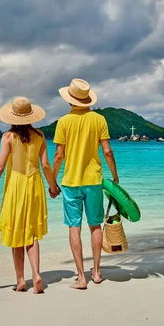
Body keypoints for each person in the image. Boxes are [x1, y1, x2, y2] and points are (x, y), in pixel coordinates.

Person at [0, 97, 60, 294]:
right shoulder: (39, 136)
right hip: (35, 185)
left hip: (15, 185)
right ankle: (36, 274)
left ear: (12, 117)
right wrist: (53, 186)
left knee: (16, 233)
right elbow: (46, 165)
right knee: (31, 233)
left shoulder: (7, 137)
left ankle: (21, 280)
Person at [52, 78, 119, 290]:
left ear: (70, 100)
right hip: (94, 180)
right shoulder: (99, 120)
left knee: (74, 227)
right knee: (95, 225)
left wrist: (52, 181)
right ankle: (97, 272)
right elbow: (107, 151)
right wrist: (115, 176)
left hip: (71, 182)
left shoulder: (63, 122)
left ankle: (81, 277)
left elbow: (58, 155)